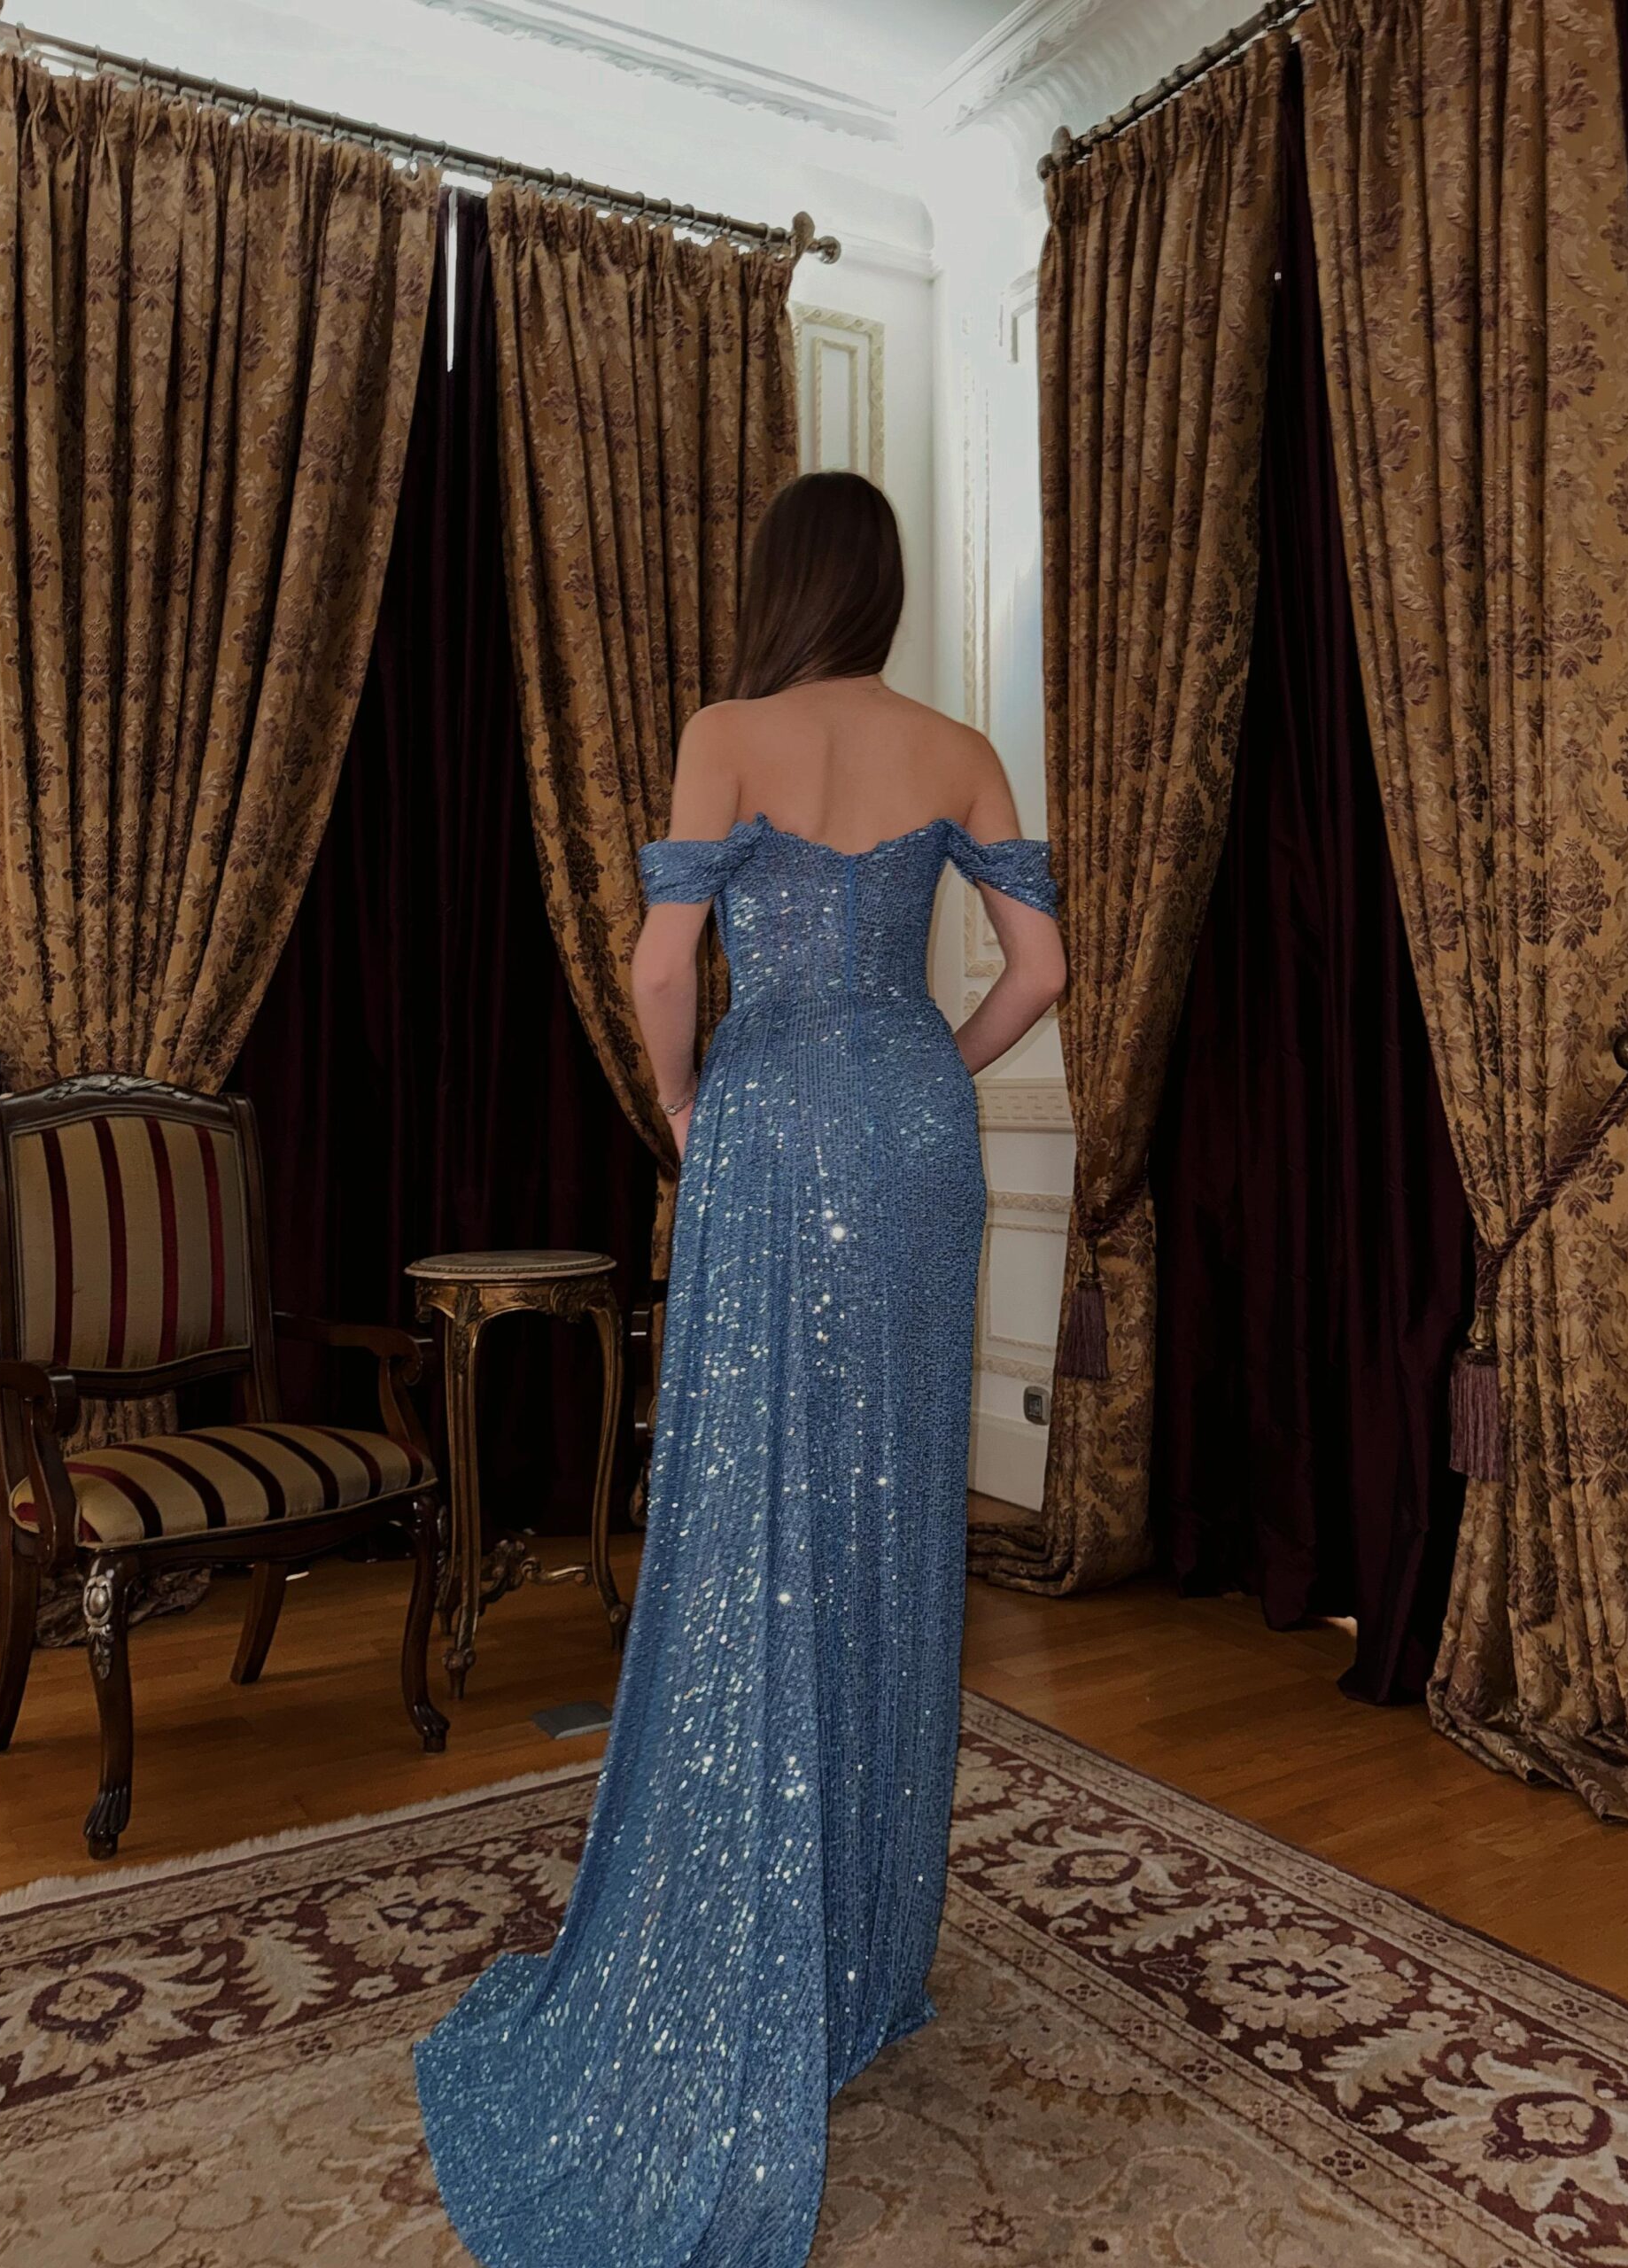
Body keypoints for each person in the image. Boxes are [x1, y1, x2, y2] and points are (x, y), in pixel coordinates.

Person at [415, 470, 1066, 2267]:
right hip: (919, 1138)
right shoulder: (960, 749)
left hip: (773, 1128)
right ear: (888, 590)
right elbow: (1040, 971)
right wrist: (926, 1057)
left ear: (783, 584)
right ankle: (862, 1947)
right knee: (892, 1516)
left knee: (749, 1507)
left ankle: (744, 1901)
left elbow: (658, 970)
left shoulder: (725, 732)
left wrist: (692, 1103)